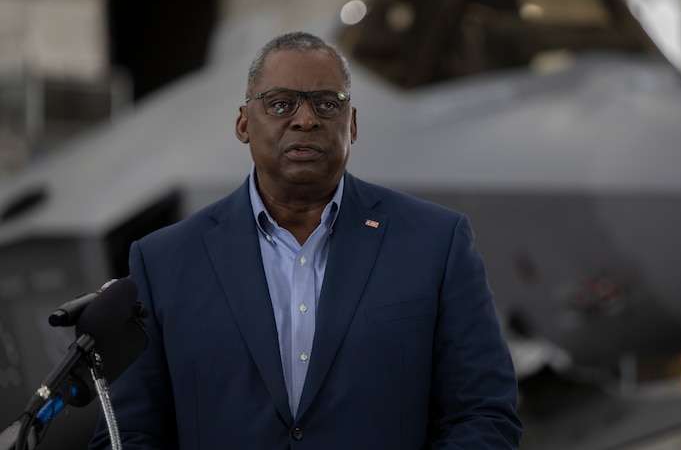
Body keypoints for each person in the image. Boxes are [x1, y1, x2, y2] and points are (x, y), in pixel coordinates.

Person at [89, 31, 522, 449]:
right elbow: (126, 433)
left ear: (351, 124)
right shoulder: (164, 261)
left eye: (327, 104)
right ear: (243, 123)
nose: (306, 119)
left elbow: (483, 413)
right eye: (280, 104)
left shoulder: (436, 243)